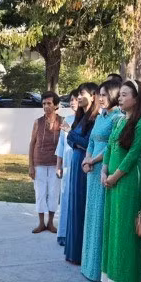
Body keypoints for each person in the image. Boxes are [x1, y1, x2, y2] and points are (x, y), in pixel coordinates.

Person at [101, 80, 141, 282]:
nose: (120, 98)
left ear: (137, 98)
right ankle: (111, 274)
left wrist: (114, 176)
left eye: (124, 94)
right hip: (112, 181)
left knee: (125, 230)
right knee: (112, 226)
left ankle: (126, 277)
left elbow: (132, 156)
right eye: (119, 94)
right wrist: (104, 171)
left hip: (128, 182)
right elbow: (110, 147)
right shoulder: (120, 120)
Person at [81, 80, 123, 281]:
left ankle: (99, 269)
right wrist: (86, 159)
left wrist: (93, 160)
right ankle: (88, 265)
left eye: (105, 94)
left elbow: (112, 146)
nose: (101, 98)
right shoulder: (100, 116)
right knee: (91, 215)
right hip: (91, 169)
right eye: (99, 94)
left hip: (105, 169)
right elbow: (91, 140)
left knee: (101, 217)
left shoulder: (118, 118)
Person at [64, 82, 100, 264]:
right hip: (76, 160)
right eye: (78, 93)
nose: (78, 96)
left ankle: (80, 254)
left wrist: (73, 137)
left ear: (93, 96)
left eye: (82, 93)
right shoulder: (80, 116)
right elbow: (71, 141)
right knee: (73, 204)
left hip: (85, 163)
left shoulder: (95, 119)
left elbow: (87, 143)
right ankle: (72, 251)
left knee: (81, 205)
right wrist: (74, 138)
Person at [29, 91, 64, 234]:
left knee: (54, 193)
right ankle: (40, 223)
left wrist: (61, 165)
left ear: (56, 105)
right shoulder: (38, 122)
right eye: (44, 103)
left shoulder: (62, 122)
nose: (46, 106)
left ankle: (50, 223)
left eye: (49, 103)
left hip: (55, 164)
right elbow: (32, 144)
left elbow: (65, 144)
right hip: (39, 163)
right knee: (40, 193)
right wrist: (31, 165)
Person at [56, 89, 80, 246]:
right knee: (65, 199)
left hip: (78, 162)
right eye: (71, 99)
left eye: (76, 99)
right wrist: (58, 165)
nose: (72, 102)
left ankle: (74, 234)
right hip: (67, 165)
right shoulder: (67, 119)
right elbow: (61, 144)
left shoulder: (88, 120)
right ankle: (63, 233)